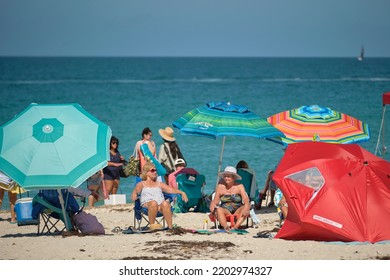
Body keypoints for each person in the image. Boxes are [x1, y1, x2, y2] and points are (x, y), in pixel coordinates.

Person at [131, 162, 188, 230]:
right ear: (146, 173)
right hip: (147, 207)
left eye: (155, 170)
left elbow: (171, 190)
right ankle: (152, 226)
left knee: (165, 203)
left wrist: (182, 192)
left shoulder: (159, 184)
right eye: (152, 170)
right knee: (153, 203)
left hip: (160, 207)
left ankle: (170, 227)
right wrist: (134, 195)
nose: (155, 172)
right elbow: (135, 192)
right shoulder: (142, 184)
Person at [209, 166, 250, 230]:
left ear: (233, 178)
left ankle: (235, 227)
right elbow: (216, 200)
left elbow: (245, 199)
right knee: (219, 209)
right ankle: (226, 227)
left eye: (228, 176)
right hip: (226, 210)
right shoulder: (220, 187)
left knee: (245, 207)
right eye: (225, 176)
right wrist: (212, 206)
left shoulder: (239, 186)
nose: (226, 178)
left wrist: (247, 206)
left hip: (237, 210)